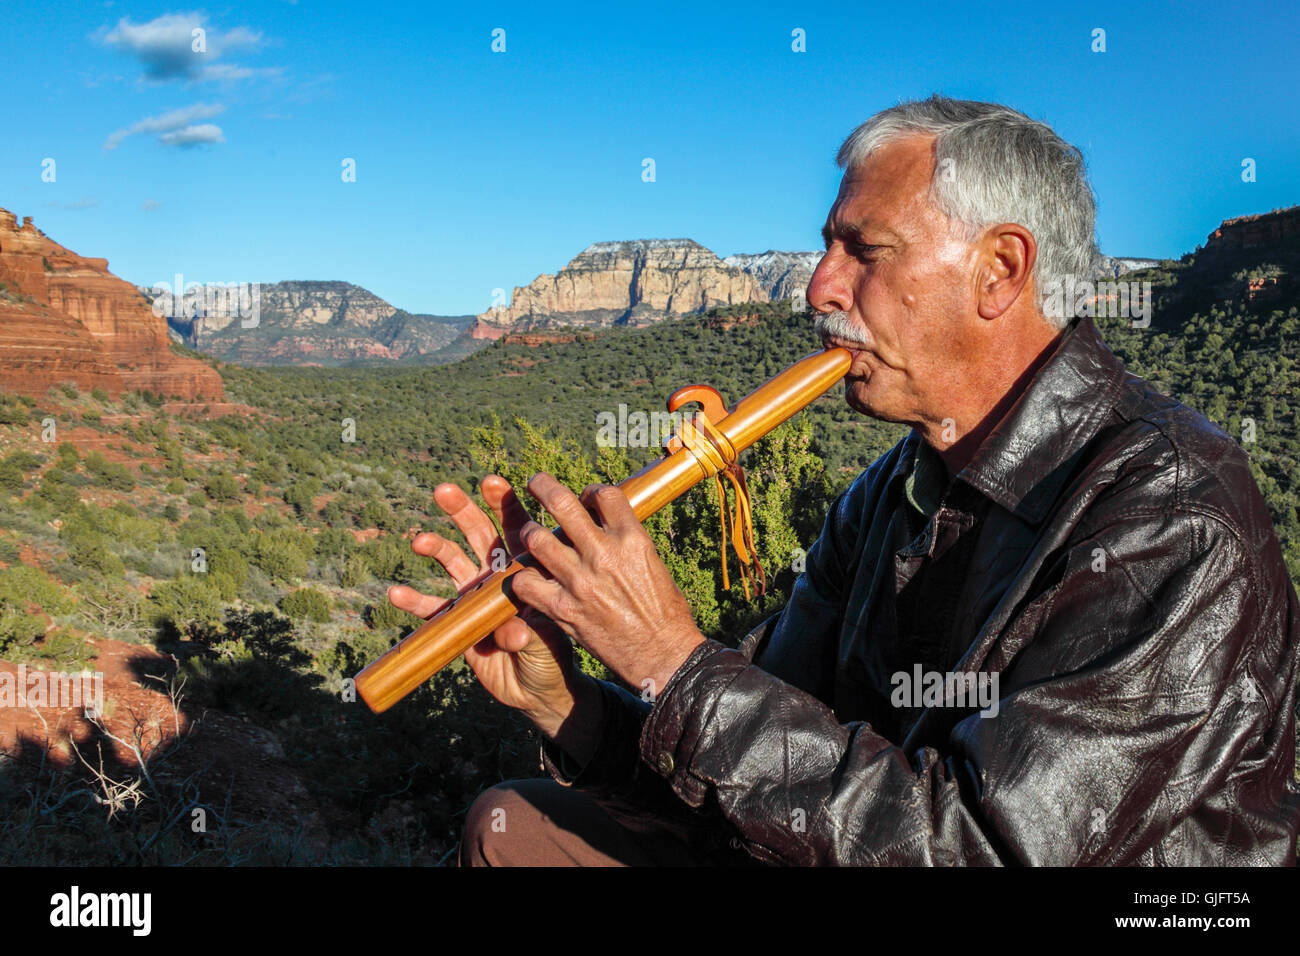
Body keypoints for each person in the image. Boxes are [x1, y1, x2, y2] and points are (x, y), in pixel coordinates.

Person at [390, 96, 1300, 866]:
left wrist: (671, 657)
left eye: (864, 251)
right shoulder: (891, 492)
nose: (820, 287)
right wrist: (564, 698)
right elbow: (755, 773)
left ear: (1000, 270)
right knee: (513, 831)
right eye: (828, 247)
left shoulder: (1171, 520)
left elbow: (976, 845)